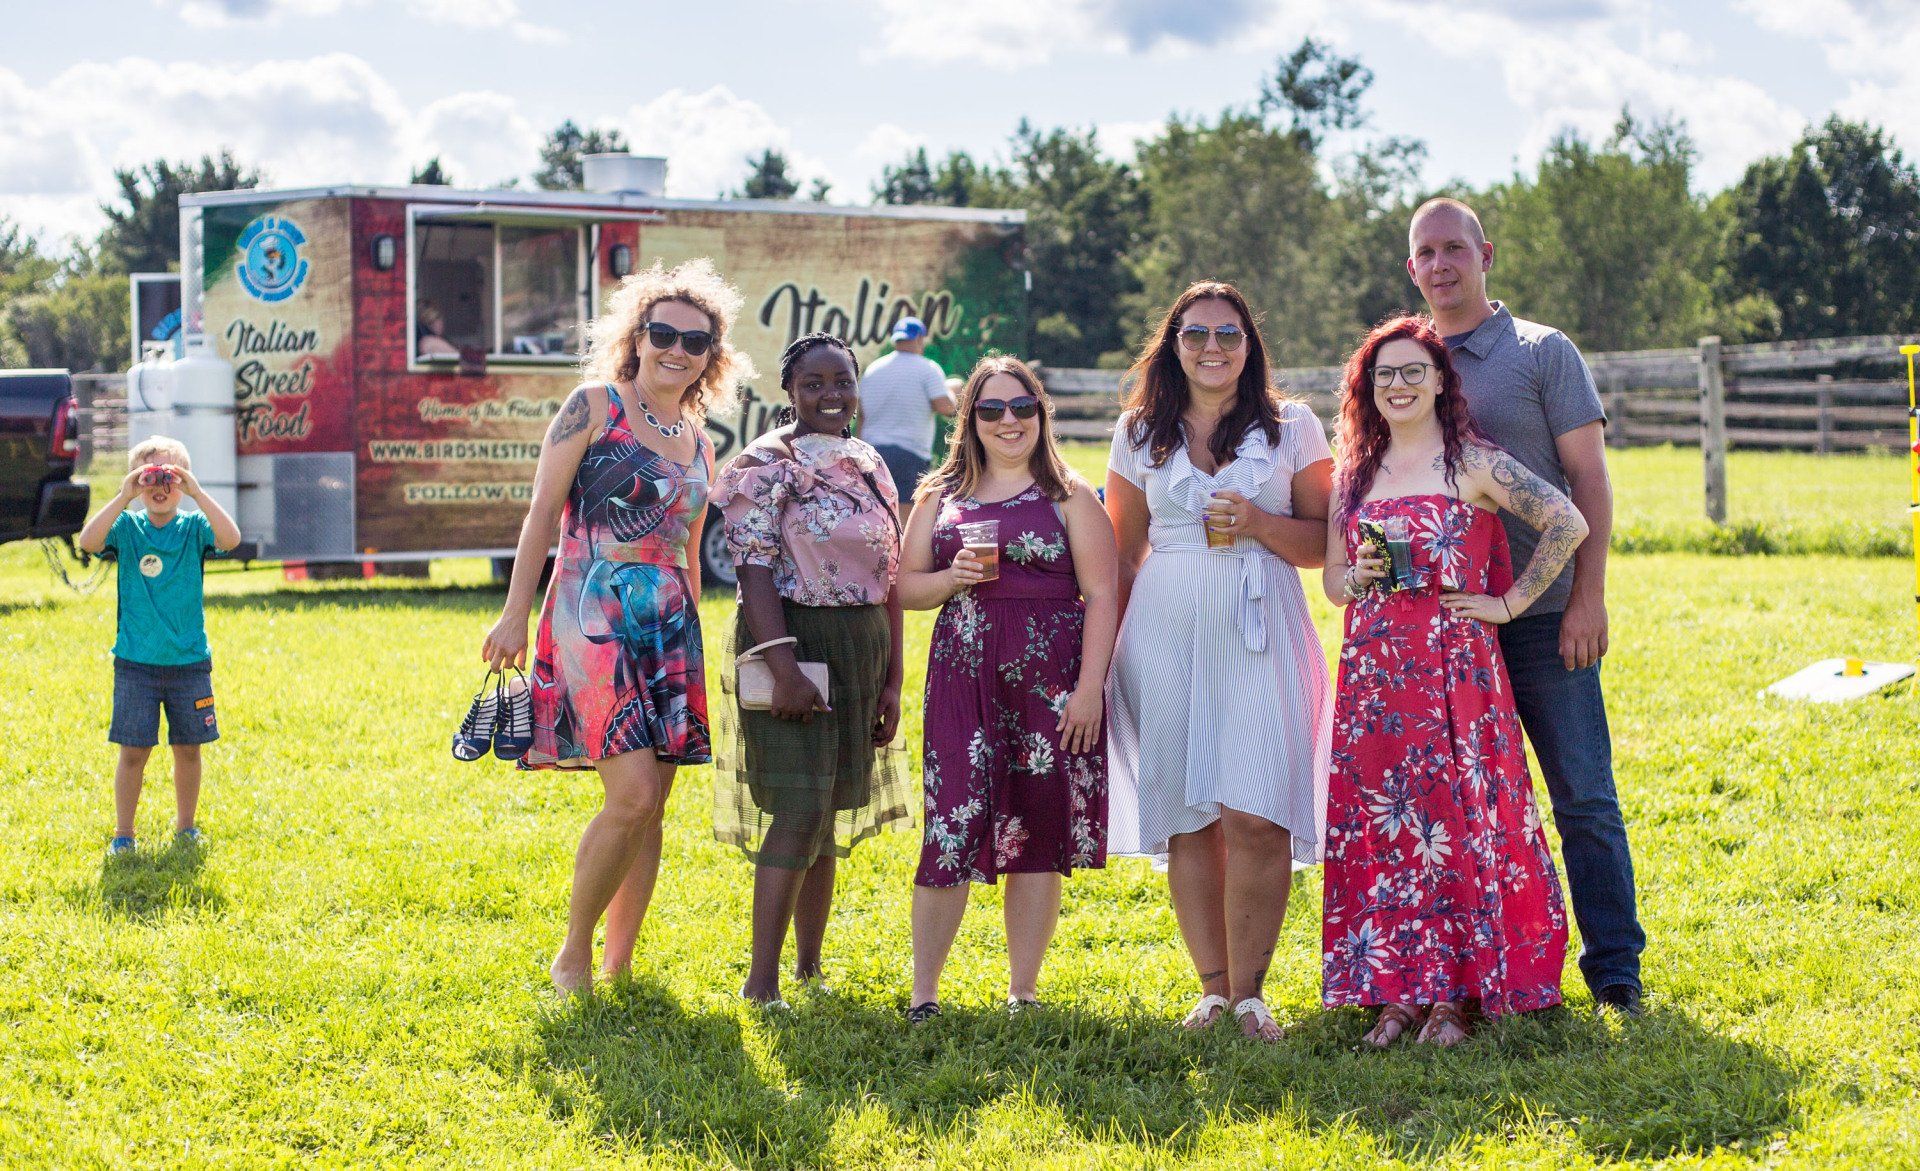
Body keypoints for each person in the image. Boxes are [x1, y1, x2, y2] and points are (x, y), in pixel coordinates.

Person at [481, 258, 749, 996]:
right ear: (636, 336)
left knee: (654, 803)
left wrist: (698, 640)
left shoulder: (700, 441)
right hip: (588, 612)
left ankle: (619, 961)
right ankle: (573, 952)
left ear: (710, 358)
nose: (676, 349)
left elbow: (690, 549)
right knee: (630, 795)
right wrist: (514, 612)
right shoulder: (593, 405)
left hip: (668, 624)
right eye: (662, 332)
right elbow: (542, 515)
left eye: (694, 342)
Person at [1406, 196, 1645, 1015]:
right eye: (1425, 253)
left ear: (1486, 254)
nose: (1441, 264)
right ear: (1412, 269)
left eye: (1454, 249)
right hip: (1451, 625)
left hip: (1542, 617)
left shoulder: (1543, 352)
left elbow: (1589, 481)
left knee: (1581, 791)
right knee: (1461, 802)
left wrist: (1589, 597)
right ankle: (1474, 972)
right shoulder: (1408, 363)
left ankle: (1615, 968)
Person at [1319, 315, 1583, 1047]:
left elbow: (1566, 522)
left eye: (1412, 371)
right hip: (1374, 668)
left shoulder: (1472, 461)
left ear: (1440, 380)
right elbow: (1333, 583)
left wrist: (1506, 602)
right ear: (1368, 390)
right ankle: (1396, 990)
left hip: (1452, 666)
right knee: (1387, 824)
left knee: (1456, 821)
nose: (1397, 385)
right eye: (1384, 375)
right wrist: (1354, 574)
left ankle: (1455, 994)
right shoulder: (1354, 472)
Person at [1104, 281, 1334, 1042]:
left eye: (1228, 335)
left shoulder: (1294, 426)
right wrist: (1099, 661)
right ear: (1174, 344)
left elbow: (1326, 544)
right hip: (1164, 631)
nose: (1212, 348)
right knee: (1189, 819)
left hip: (1260, 624)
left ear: (1250, 344)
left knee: (1257, 813)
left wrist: (1262, 523)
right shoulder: (1139, 432)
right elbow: (1120, 554)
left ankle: (1251, 994)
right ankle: (1211, 991)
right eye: (1196, 334)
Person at [897, 355, 1119, 1021]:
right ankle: (924, 994)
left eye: (1021, 407)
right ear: (970, 420)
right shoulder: (939, 495)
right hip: (965, 675)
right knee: (952, 822)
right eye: (991, 409)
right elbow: (905, 587)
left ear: (1040, 413)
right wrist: (951, 580)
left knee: (1034, 828)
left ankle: (1023, 991)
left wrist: (1090, 688)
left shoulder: (1070, 496)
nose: (1008, 420)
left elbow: (1103, 594)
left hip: (1050, 682)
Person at [710, 332, 913, 1008]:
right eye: (815, 384)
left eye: (842, 382)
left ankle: (809, 968)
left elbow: (891, 574)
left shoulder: (869, 461)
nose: (831, 395)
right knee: (798, 808)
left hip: (862, 644)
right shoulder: (765, 463)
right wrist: (783, 664)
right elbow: (754, 569)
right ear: (789, 392)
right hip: (791, 637)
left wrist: (892, 677)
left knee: (827, 811)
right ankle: (760, 982)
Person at [76, 436, 242, 854]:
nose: (160, 485)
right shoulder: (128, 528)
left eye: (169, 475)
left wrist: (198, 493)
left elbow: (231, 539)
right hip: (136, 663)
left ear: (182, 481)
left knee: (188, 749)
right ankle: (124, 833)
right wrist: (122, 496)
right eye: (150, 477)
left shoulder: (193, 528)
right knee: (133, 752)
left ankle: (186, 826)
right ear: (138, 482)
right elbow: (88, 543)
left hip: (189, 662)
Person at [856, 316, 955, 498]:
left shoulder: (873, 370)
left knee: (876, 513)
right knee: (906, 518)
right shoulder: (928, 369)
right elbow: (945, 408)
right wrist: (953, 392)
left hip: (871, 454)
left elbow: (861, 415)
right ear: (919, 339)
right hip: (910, 454)